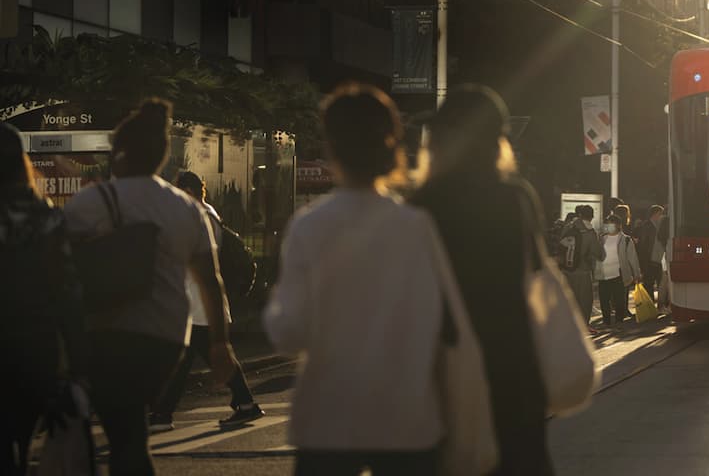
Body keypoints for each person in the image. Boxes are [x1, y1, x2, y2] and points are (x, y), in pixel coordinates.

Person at [263, 84, 446, 474]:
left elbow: (288, 331)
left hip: (329, 418)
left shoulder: (310, 226)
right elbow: (437, 318)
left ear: (331, 145)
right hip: (407, 416)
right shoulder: (416, 227)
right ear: (392, 144)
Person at [63, 99, 237, 475]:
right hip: (167, 339)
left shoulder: (93, 201)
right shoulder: (187, 209)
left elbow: (57, 265)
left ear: (120, 154)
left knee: (123, 432)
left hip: (107, 332)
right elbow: (212, 280)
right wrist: (221, 343)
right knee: (130, 427)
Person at [411, 84, 553, 475]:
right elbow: (537, 281)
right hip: (515, 372)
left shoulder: (421, 206)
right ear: (498, 143)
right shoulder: (517, 200)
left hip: (442, 375)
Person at [1, 123, 88, 476]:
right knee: (22, 439)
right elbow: (67, 293)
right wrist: (79, 365)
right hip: (37, 349)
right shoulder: (47, 218)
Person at [149, 172, 264, 432]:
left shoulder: (199, 217)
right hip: (197, 303)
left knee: (186, 359)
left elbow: (196, 261)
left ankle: (163, 415)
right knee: (195, 358)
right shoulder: (208, 213)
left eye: (179, 192)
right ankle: (244, 403)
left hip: (199, 303)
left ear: (188, 191)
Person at [557, 205, 602, 333]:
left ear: (580, 215)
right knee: (585, 299)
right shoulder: (589, 232)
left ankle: (568, 324)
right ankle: (584, 325)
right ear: (592, 216)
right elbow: (598, 253)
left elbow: (561, 244)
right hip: (582, 270)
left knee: (570, 297)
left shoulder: (568, 226)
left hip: (566, 269)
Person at [595, 213, 641, 328]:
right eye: (608, 223)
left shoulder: (625, 240)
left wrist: (636, 273)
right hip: (604, 274)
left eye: (612, 223)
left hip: (619, 274)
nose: (609, 226)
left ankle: (619, 321)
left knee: (619, 299)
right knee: (604, 299)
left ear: (618, 225)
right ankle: (606, 321)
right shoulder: (601, 238)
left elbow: (632, 257)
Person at [637, 205, 666, 299]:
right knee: (649, 284)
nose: (662, 216)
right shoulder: (647, 226)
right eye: (660, 214)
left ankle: (660, 306)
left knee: (661, 283)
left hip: (659, 260)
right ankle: (650, 307)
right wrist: (643, 263)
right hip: (649, 261)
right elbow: (643, 245)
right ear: (655, 214)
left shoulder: (660, 226)